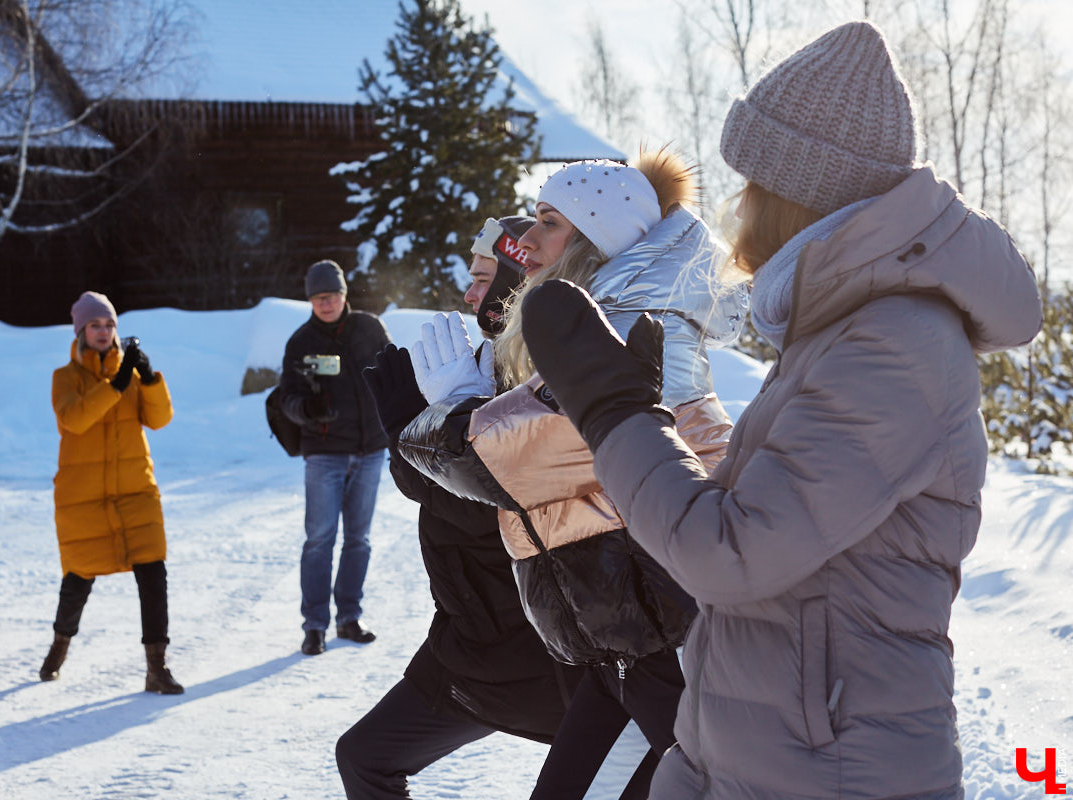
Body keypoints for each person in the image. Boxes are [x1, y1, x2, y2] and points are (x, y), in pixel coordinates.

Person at [518, 21, 1044, 800]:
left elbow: (729, 554)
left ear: (800, 196)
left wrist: (616, 415)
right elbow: (756, 546)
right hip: (770, 753)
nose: (737, 209)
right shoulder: (845, 334)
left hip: (836, 772)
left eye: (753, 184)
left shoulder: (894, 349)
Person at [398, 151, 747, 799]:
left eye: (548, 223)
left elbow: (500, 463)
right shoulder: (608, 323)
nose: (524, 241)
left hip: (668, 643)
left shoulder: (634, 333)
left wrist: (457, 408)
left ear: (594, 242)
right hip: (628, 638)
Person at [337, 217, 586, 799]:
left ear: (517, 279)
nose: (470, 293)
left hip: (544, 656)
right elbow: (437, 484)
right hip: (470, 648)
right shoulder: (477, 366)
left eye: (482, 277)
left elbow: (493, 513)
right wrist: (414, 435)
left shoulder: (543, 379)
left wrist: (411, 435)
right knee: (364, 757)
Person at [39, 291, 183, 695]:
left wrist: (150, 379)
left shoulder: (133, 375)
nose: (103, 332)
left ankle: (157, 668)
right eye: (94, 325)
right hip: (82, 497)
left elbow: (160, 419)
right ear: (81, 331)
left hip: (135, 491)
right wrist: (116, 385)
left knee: (153, 574)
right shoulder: (64, 378)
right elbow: (75, 419)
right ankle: (59, 647)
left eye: (108, 325)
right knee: (78, 578)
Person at [279, 260, 390, 656]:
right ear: (310, 300)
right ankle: (314, 625)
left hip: (371, 450)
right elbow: (285, 397)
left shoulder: (369, 328)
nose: (325, 303)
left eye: (332, 296)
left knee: (358, 540)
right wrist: (307, 409)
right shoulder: (301, 342)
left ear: (344, 295)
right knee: (319, 540)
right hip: (324, 455)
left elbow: (393, 374)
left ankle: (349, 617)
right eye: (317, 298)